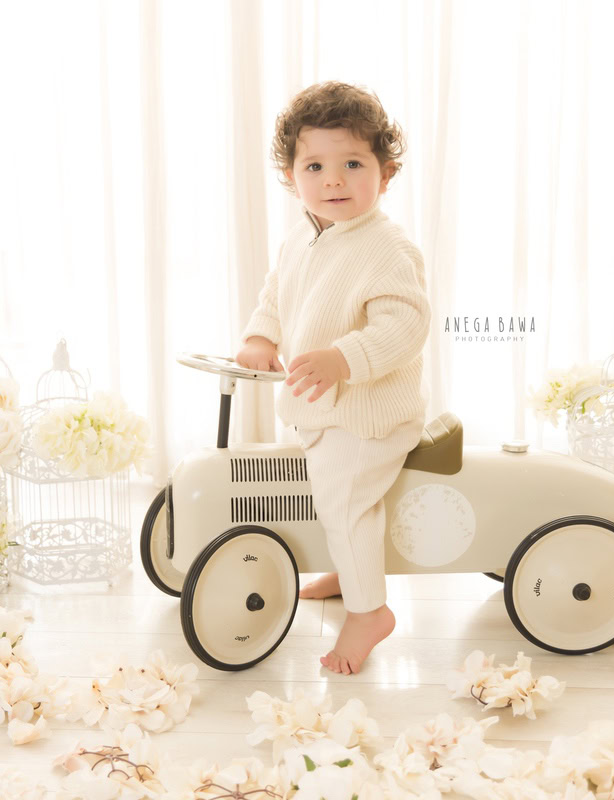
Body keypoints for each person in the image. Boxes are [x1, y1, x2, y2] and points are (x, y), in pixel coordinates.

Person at [235, 80, 430, 675]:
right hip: (321, 407)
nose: (334, 181)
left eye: (353, 163)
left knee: (346, 501)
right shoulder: (303, 234)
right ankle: (350, 572)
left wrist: (344, 358)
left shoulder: (386, 247)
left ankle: (370, 612)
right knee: (324, 489)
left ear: (386, 173)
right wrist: (261, 336)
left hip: (369, 415)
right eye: (315, 165)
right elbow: (278, 293)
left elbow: (406, 325)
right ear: (292, 175)